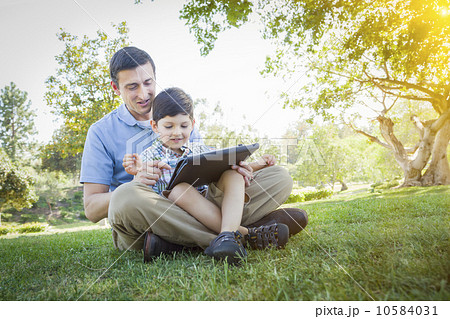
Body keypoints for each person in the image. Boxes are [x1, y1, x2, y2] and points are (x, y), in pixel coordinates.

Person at [80, 46, 308, 262]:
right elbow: (91, 210)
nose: (144, 93)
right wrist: (135, 182)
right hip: (150, 217)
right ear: (115, 88)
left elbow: (204, 170)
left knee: (278, 176)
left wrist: (239, 168)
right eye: (132, 87)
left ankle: (177, 244)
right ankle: (246, 234)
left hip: (197, 204)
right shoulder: (100, 132)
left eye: (148, 82)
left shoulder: (178, 114)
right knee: (125, 196)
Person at [123, 87, 290, 263]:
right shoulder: (148, 157)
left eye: (184, 125)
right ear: (155, 126)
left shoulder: (200, 150)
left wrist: (257, 165)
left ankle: (226, 237)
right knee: (179, 190)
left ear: (193, 124)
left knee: (233, 174)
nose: (177, 132)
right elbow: (142, 198)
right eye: (169, 126)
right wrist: (137, 176)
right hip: (177, 215)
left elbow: (228, 167)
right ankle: (246, 234)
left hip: (210, 204)